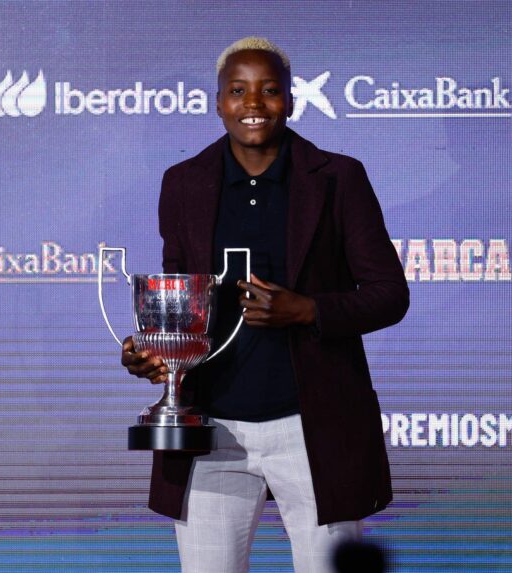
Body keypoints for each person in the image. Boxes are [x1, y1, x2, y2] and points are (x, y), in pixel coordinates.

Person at [121, 37, 408, 573]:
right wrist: (150, 352)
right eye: (238, 90)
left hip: (313, 427)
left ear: (291, 100)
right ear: (218, 101)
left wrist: (308, 310)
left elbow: (390, 294)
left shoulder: (338, 178)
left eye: (269, 90)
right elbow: (178, 302)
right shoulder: (183, 183)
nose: (253, 104)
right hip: (209, 431)